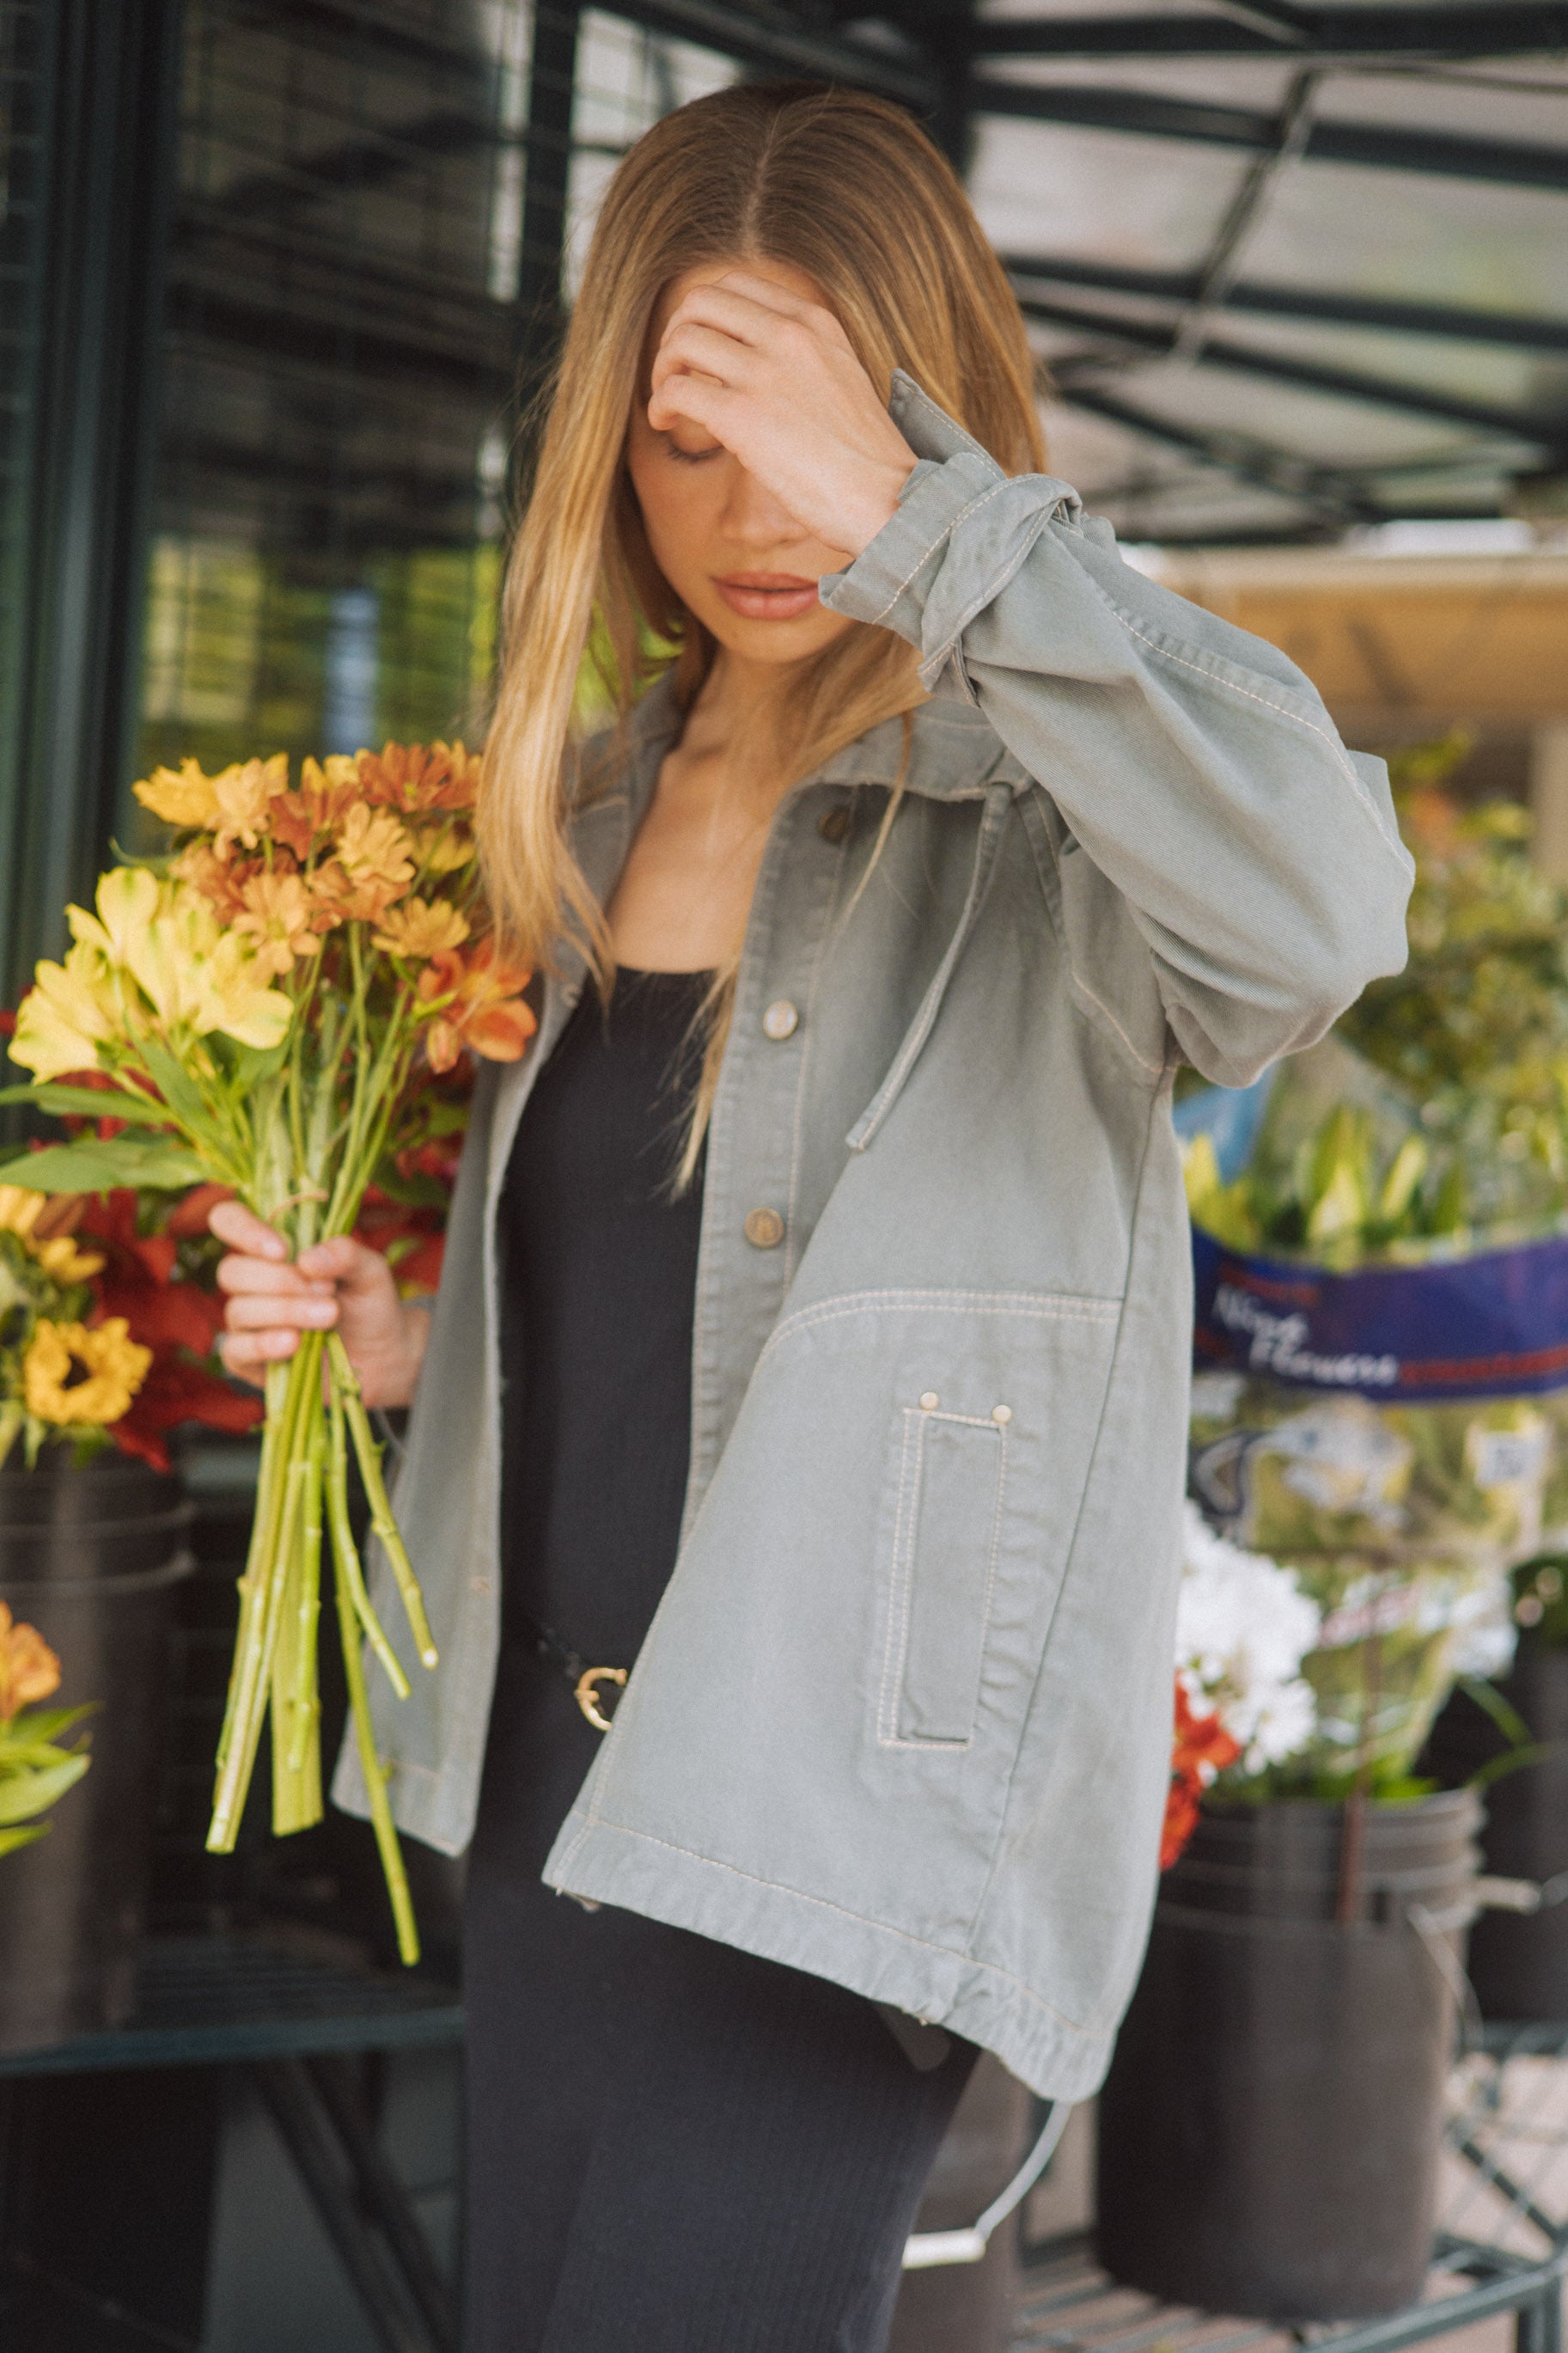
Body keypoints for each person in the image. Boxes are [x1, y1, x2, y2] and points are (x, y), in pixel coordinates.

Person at [211, 80, 1413, 2353]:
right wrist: (403, 1339)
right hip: (541, 1808)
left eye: (825, 437)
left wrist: (937, 541)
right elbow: (649, 1293)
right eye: (689, 438)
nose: (757, 516)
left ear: (933, 421)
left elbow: (1320, 912)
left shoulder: (1059, 813)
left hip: (815, 1842)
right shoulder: (572, 814)